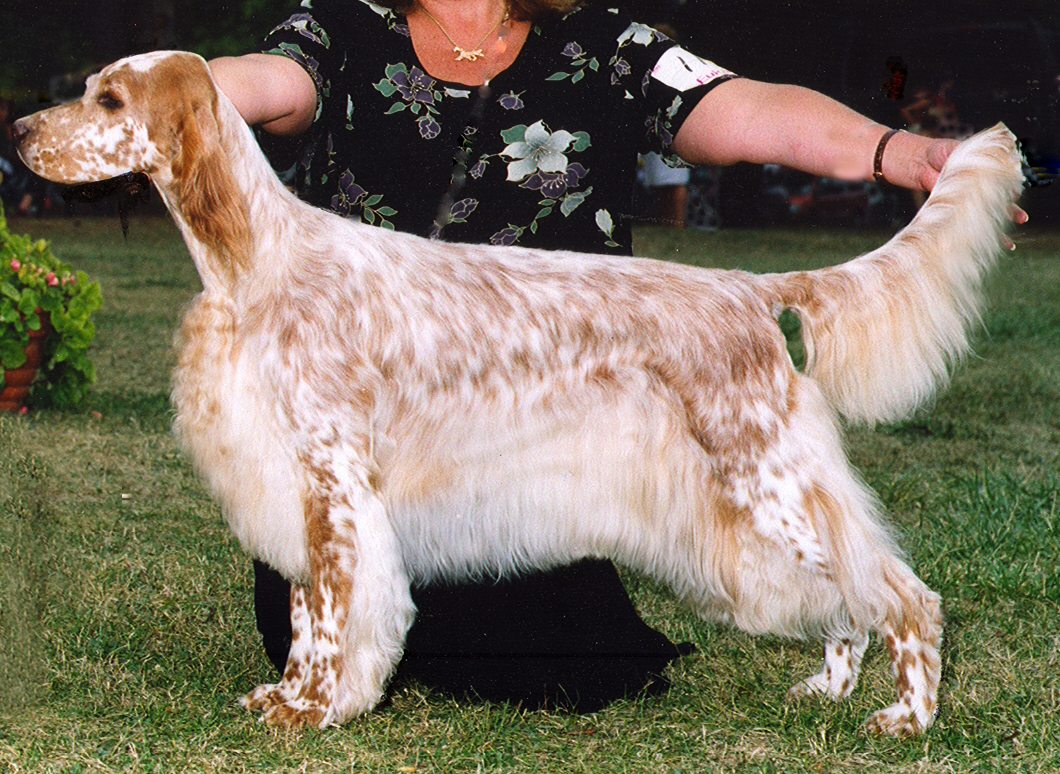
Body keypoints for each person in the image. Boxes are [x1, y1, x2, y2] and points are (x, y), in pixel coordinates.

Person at [208, 0, 1015, 712]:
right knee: (322, 639)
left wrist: (895, 151)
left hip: (536, 462)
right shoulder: (340, 31)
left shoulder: (603, 44)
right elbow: (264, 81)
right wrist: (169, 88)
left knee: (559, 672)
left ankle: (864, 623)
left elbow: (746, 110)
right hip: (370, 454)